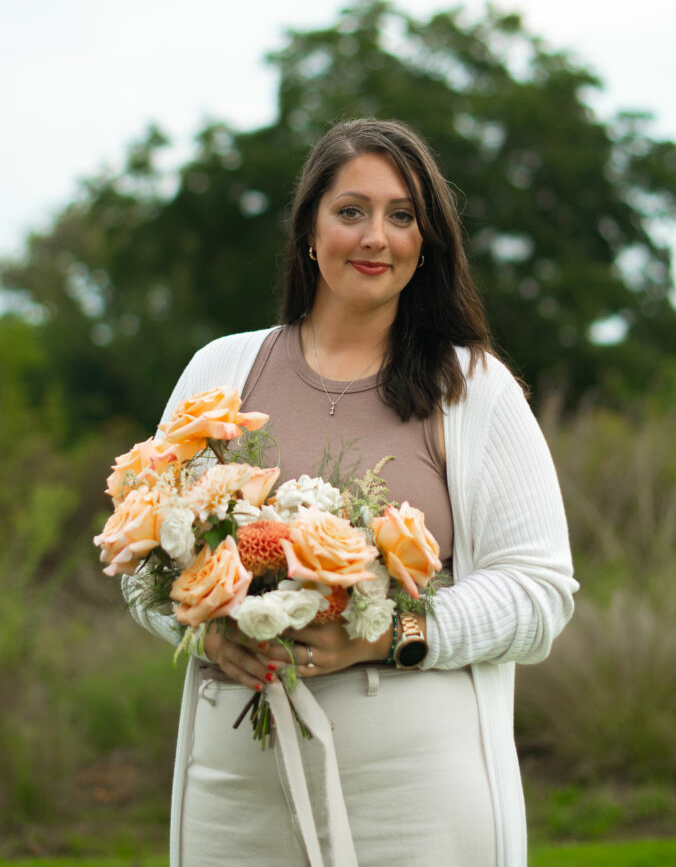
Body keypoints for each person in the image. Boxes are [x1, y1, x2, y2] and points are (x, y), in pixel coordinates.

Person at [124, 118, 578, 867]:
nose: (376, 236)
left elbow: (538, 594)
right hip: (231, 780)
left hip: (412, 787)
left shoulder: (476, 392)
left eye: (401, 216)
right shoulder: (217, 373)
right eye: (350, 211)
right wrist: (203, 629)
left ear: (425, 243)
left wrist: (388, 633)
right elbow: (142, 558)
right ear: (309, 230)